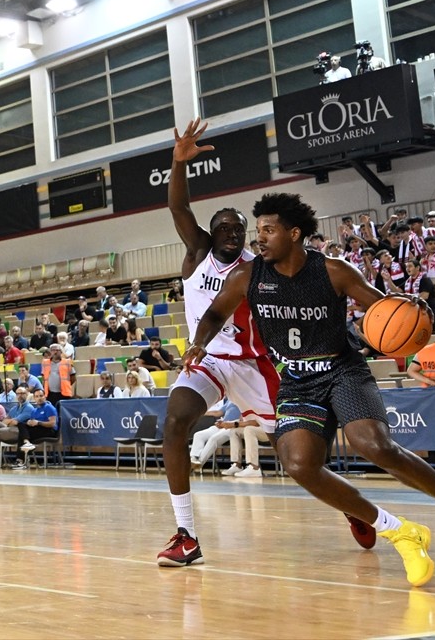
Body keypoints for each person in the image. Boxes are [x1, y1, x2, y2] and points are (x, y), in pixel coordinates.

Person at [186, 191, 435, 587]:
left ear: (294, 233)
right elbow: (216, 312)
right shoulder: (247, 276)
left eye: (268, 231)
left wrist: (410, 314)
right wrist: (199, 343)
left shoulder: (334, 271)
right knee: (300, 464)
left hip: (343, 370)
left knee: (373, 445)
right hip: (297, 379)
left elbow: (382, 311)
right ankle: (399, 531)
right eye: (258, 231)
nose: (259, 238)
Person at [157, 120, 279, 568]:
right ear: (211, 234)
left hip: (251, 363)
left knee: (295, 451)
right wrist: (177, 163)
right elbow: (178, 207)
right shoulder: (199, 253)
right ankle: (186, 534)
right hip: (204, 358)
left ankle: (348, 506)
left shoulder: (257, 266)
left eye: (239, 229)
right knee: (174, 423)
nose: (232, 233)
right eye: (224, 227)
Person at [10, 389, 59, 470]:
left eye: (41, 396)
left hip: (49, 430)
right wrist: (30, 422)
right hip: (38, 430)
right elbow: (33, 423)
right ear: (34, 398)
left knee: (22, 435)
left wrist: (38, 423)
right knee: (21, 424)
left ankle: (21, 460)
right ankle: (26, 445)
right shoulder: (34, 410)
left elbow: (52, 423)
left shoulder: (49, 407)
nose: (39, 398)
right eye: (37, 396)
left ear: (45, 397)